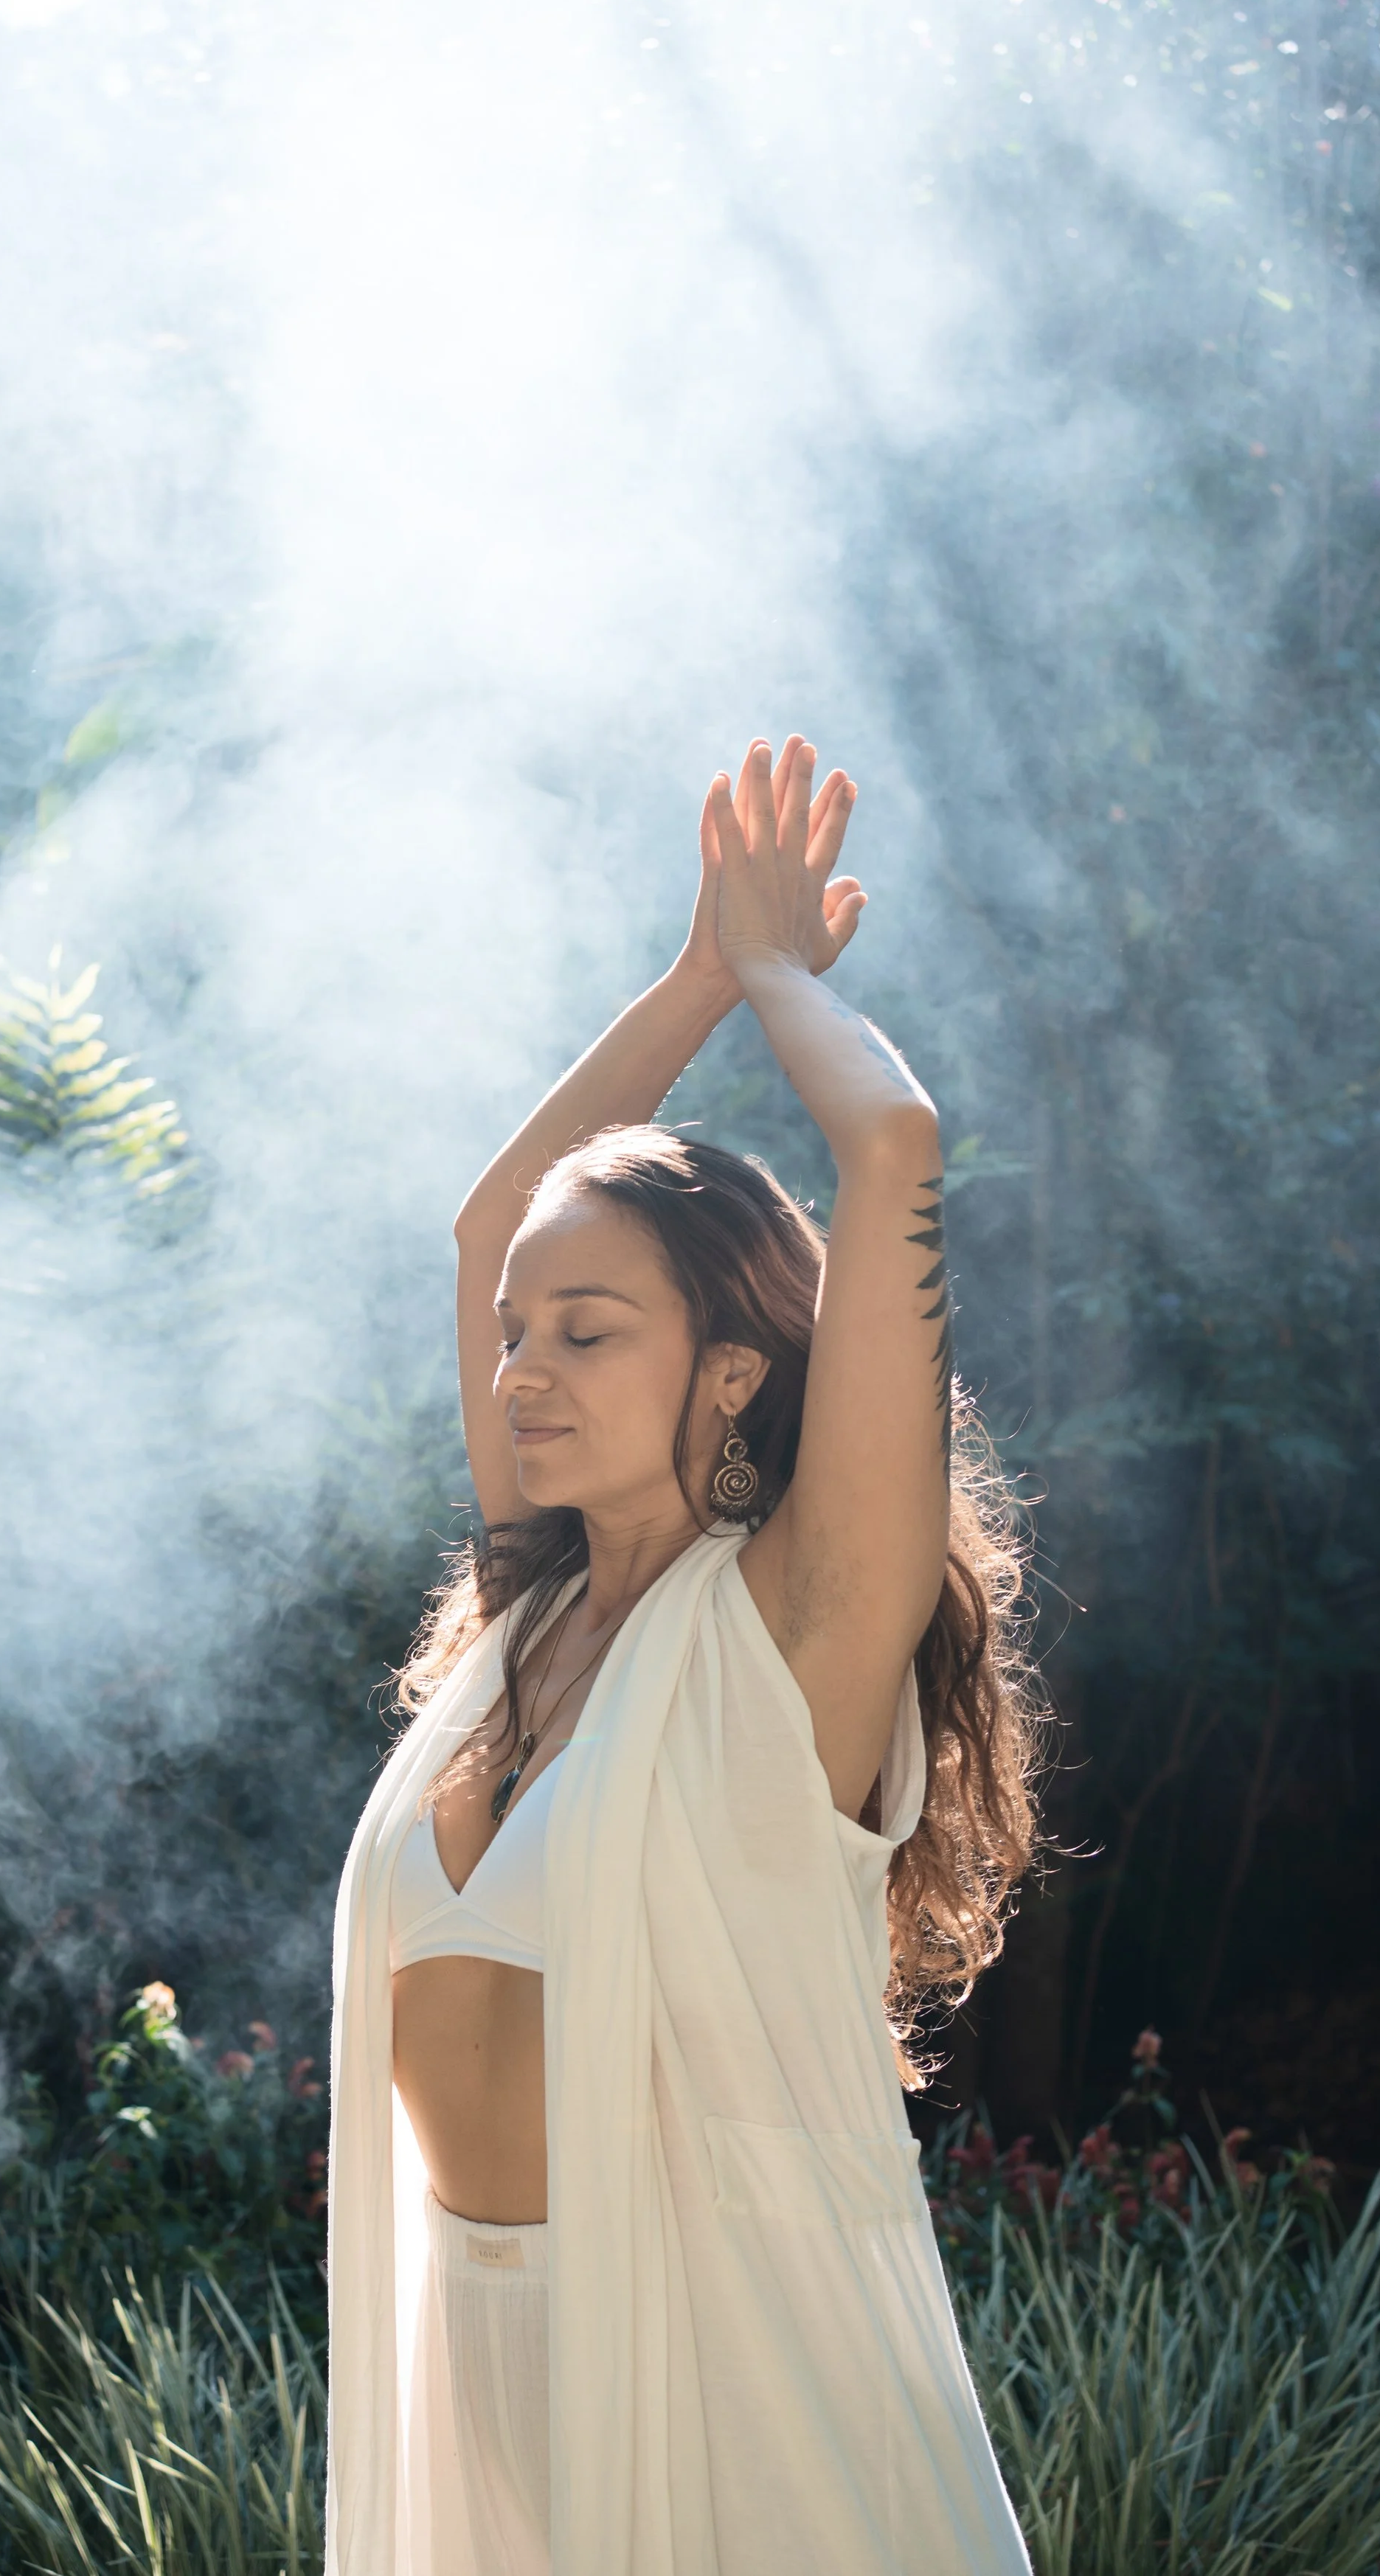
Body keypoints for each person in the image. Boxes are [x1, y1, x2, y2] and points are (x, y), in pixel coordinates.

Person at [328, 737, 1040, 2575]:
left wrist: (785, 978)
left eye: (585, 1333)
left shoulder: (791, 1636)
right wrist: (693, 980)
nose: (520, 1371)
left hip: (743, 2399)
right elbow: (492, 1223)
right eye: (513, 1344)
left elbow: (889, 1150)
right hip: (486, 2373)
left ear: (727, 1370)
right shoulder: (525, 1622)